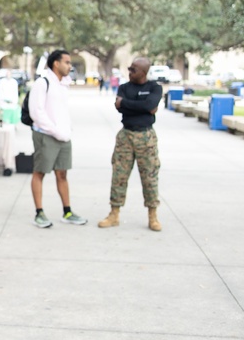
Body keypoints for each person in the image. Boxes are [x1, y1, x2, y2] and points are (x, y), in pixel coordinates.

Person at [98, 57, 164, 231]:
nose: (129, 71)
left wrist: (129, 104)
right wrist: (142, 106)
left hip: (146, 136)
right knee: (119, 175)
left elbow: (150, 105)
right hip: (126, 135)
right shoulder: (124, 87)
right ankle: (114, 214)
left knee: (149, 177)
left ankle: (153, 215)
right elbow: (120, 107)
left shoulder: (154, 87)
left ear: (143, 72)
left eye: (133, 69)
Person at [28, 50, 86, 228]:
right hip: (46, 135)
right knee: (40, 172)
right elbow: (36, 113)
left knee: (62, 173)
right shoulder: (42, 82)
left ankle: (67, 211)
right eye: (67, 62)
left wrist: (66, 130)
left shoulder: (63, 84)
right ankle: (39, 213)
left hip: (63, 136)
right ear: (56, 63)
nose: (70, 66)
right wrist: (54, 131)